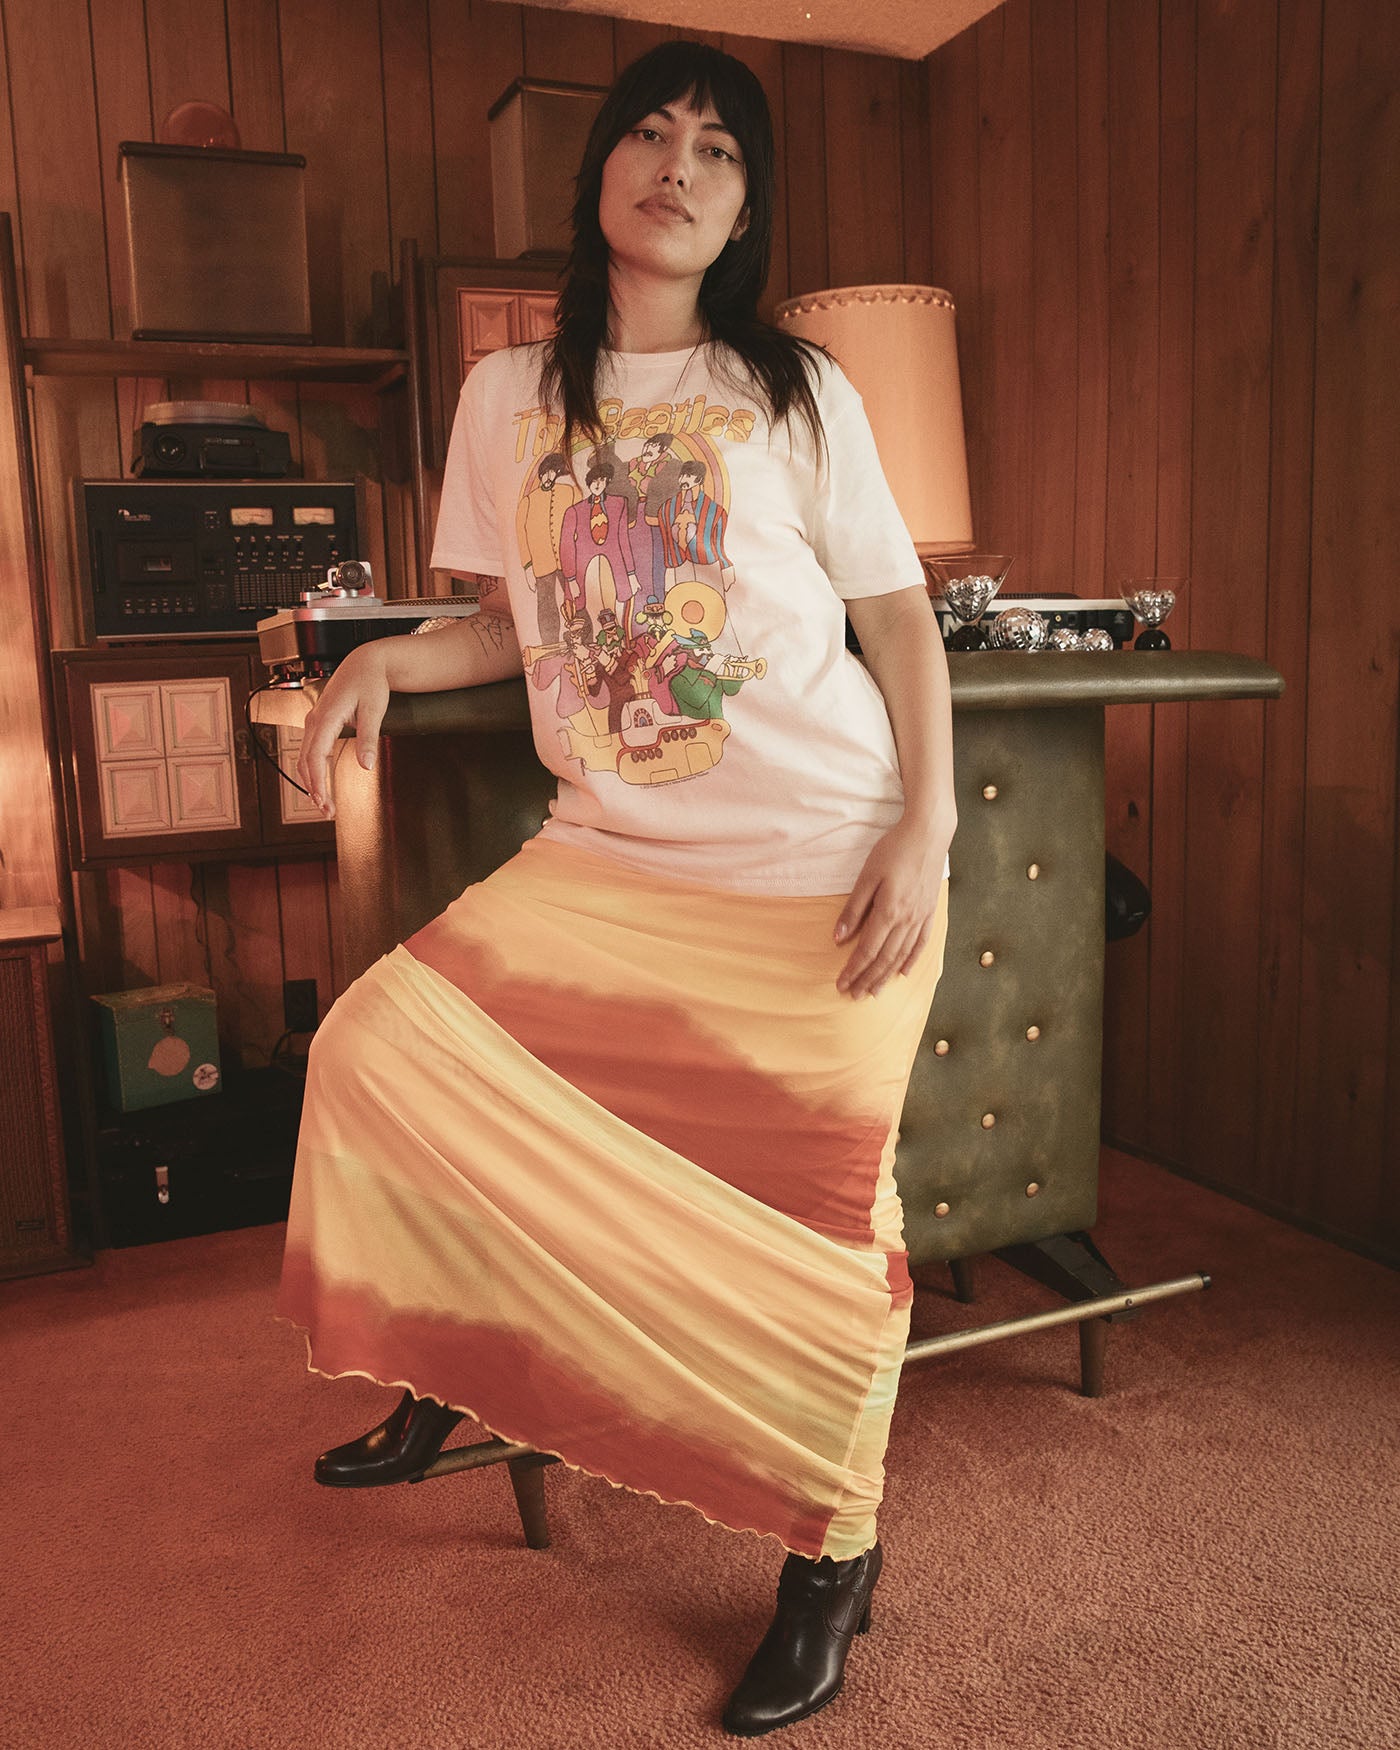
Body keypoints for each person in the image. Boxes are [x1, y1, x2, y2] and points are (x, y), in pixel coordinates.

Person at [279, 39, 956, 1740]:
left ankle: (832, 1557)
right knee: (377, 1050)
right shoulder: (509, 393)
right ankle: (450, 1354)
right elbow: (511, 622)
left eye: (718, 149)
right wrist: (382, 663)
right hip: (609, 857)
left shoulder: (799, 389)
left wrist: (929, 827)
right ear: (601, 173)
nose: (679, 165)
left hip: (824, 864)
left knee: (823, 1232)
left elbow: (897, 619)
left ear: (745, 206)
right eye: (651, 133)